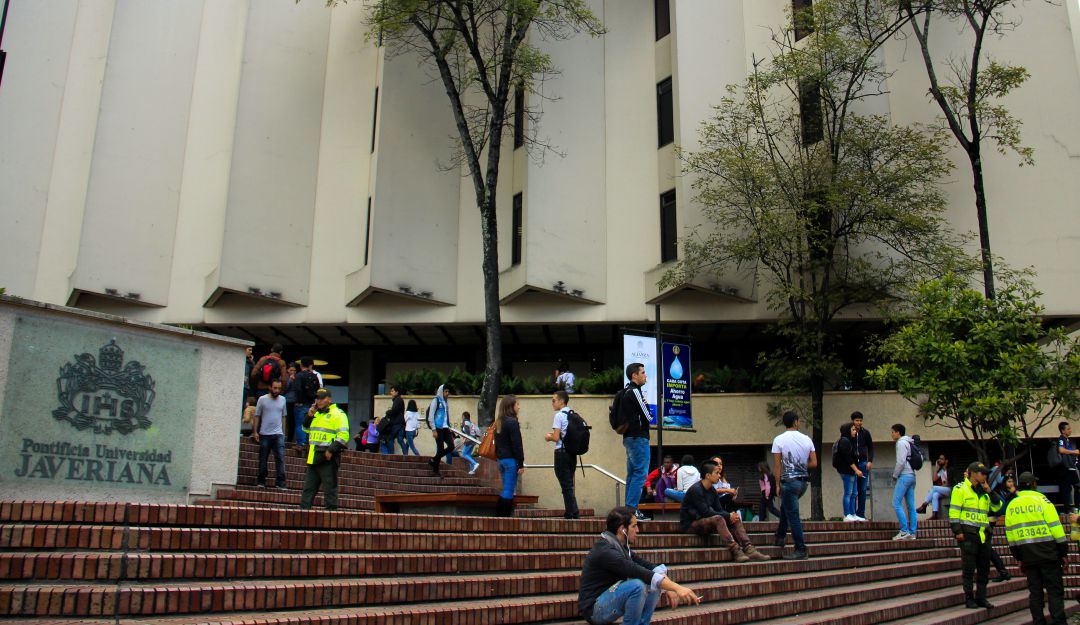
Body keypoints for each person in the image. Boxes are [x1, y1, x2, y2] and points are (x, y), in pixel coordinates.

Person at [577, 506, 700, 625]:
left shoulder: (620, 546)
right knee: (638, 586)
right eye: (634, 526)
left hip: (608, 601)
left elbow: (647, 566)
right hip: (594, 610)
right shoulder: (606, 551)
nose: (638, 530)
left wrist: (668, 586)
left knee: (651, 581)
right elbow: (637, 571)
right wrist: (676, 587)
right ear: (623, 529)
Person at [1007, 472, 1068, 624]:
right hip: (1048, 554)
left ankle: (1038, 622)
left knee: (1035, 594)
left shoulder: (1012, 505)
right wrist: (1063, 553)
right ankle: (1059, 622)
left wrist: (1019, 558)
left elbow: (1011, 536)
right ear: (1034, 484)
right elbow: (1057, 530)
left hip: (1027, 556)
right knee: (1054, 592)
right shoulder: (1043, 501)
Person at [680, 461, 770, 562]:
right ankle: (735, 550)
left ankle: (749, 549)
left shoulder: (712, 490)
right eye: (716, 473)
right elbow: (705, 512)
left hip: (707, 521)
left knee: (734, 517)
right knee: (720, 518)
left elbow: (719, 509)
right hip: (691, 524)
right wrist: (727, 515)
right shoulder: (696, 490)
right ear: (708, 475)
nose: (719, 475)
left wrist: (730, 516)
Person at [950, 461, 1002, 609]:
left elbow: (997, 507)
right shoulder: (960, 489)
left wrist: (990, 491)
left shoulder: (984, 491)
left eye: (986, 473)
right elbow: (954, 512)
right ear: (972, 473)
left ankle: (981, 597)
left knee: (984, 569)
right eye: (982, 473)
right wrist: (958, 531)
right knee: (969, 569)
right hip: (968, 535)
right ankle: (969, 598)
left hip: (983, 535)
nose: (985, 475)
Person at [772, 410, 817, 560]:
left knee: (793, 516)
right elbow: (814, 463)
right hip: (803, 481)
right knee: (787, 508)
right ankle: (780, 536)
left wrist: (777, 484)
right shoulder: (807, 439)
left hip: (788, 481)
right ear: (796, 421)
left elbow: (777, 466)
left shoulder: (779, 439)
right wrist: (801, 465)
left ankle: (800, 548)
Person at [300, 388, 350, 511]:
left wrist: (331, 450)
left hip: (328, 458)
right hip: (313, 457)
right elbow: (305, 429)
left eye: (322, 398)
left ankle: (331, 521)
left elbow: (344, 435)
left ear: (329, 399)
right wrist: (309, 416)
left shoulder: (338, 414)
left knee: (329, 490)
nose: (319, 401)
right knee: (308, 490)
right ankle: (302, 517)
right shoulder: (316, 413)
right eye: (317, 398)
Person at [617, 362, 653, 521]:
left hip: (629, 438)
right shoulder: (635, 392)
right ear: (634, 375)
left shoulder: (625, 392)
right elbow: (648, 417)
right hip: (639, 437)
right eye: (643, 373)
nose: (645, 376)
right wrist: (647, 406)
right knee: (640, 473)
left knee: (632, 474)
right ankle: (632, 510)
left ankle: (628, 511)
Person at [544, 390, 580, 518]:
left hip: (561, 453)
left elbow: (556, 437)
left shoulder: (559, 415)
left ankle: (572, 513)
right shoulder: (572, 414)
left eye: (554, 400)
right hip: (572, 454)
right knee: (569, 483)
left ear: (561, 401)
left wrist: (548, 437)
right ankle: (572, 511)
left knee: (566, 485)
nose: (552, 403)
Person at [252, 379, 288, 490]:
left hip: (278, 434)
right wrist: (255, 431)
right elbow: (257, 415)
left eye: (279, 388)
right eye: (275, 388)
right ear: (270, 387)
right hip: (265, 434)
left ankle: (280, 483)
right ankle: (261, 481)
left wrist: (283, 432)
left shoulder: (283, 399)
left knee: (280, 458)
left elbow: (283, 416)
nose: (277, 390)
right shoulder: (262, 400)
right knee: (263, 458)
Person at [493, 394, 525, 517]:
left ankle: (499, 516)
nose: (519, 407)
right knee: (509, 490)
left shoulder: (499, 422)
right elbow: (517, 444)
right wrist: (521, 463)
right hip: (511, 461)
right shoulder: (512, 422)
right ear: (511, 406)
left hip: (501, 460)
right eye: (517, 404)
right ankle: (503, 518)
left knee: (505, 489)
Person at [890, 424, 917, 540]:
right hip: (912, 475)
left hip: (904, 476)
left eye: (892, 432)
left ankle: (904, 530)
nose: (891, 434)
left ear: (898, 432)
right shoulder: (909, 442)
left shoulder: (901, 443)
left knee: (896, 503)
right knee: (911, 505)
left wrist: (895, 475)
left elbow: (901, 462)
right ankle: (912, 532)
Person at [834, 422, 864, 522]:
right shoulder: (844, 441)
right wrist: (856, 470)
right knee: (848, 493)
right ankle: (847, 514)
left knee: (854, 493)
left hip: (852, 472)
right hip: (846, 471)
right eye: (853, 430)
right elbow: (848, 458)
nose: (855, 432)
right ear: (847, 430)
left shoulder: (850, 441)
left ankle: (853, 513)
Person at [850, 412, 874, 521]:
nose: (859, 422)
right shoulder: (849, 432)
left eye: (860, 420)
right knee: (853, 490)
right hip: (853, 464)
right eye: (857, 420)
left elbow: (871, 447)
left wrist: (870, 461)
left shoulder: (866, 433)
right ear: (852, 421)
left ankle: (861, 514)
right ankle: (852, 513)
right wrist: (852, 436)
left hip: (863, 463)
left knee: (863, 489)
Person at [293, 358, 321, 446]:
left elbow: (297, 389)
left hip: (301, 404)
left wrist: (299, 401)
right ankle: (309, 443)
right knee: (309, 424)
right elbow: (318, 390)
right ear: (310, 365)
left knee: (300, 425)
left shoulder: (299, 375)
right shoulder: (314, 376)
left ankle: (301, 444)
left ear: (301, 365)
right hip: (311, 404)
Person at [427, 384, 454, 476]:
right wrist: (433, 429)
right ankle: (435, 470)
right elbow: (431, 415)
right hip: (438, 428)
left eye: (448, 392)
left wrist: (449, 427)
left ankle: (433, 460)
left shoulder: (445, 402)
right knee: (440, 448)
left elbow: (446, 416)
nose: (447, 393)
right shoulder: (436, 400)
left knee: (451, 446)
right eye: (446, 391)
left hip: (446, 428)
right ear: (441, 391)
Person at [917, 454, 953, 520]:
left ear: (946, 461)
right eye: (939, 459)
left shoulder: (950, 470)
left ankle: (924, 505)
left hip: (951, 490)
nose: (939, 460)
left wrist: (943, 485)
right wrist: (936, 468)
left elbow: (949, 483)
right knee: (935, 495)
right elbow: (934, 479)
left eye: (942, 459)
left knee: (934, 488)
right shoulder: (941, 471)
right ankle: (935, 515)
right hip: (945, 490)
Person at [1056, 422, 1080, 510]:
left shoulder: (1067, 440)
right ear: (1063, 431)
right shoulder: (1061, 439)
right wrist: (1074, 452)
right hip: (1066, 468)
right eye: (1068, 429)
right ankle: (1067, 510)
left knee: (1077, 486)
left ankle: (1076, 507)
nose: (1070, 430)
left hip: (1071, 467)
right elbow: (1061, 450)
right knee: (1067, 489)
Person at [381, 385, 406, 455]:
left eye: (392, 391)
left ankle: (391, 455)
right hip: (401, 423)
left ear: (397, 392)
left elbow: (394, 411)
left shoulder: (397, 400)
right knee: (400, 440)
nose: (391, 393)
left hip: (397, 423)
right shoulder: (399, 399)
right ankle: (405, 455)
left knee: (389, 438)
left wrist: (387, 412)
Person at [282, 364, 298, 443]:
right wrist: (290, 381)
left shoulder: (298, 378)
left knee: (292, 421)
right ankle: (284, 436)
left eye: (294, 370)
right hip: (286, 401)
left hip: (294, 402)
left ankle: (290, 439)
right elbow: (284, 389)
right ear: (288, 370)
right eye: (291, 370)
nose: (293, 372)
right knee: (285, 419)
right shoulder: (285, 378)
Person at [243, 346, 255, 411]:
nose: (251, 352)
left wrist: (252, 361)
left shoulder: (249, 362)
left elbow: (255, 371)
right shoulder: (241, 360)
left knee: (244, 406)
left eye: (251, 350)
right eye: (249, 350)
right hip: (242, 387)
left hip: (246, 387)